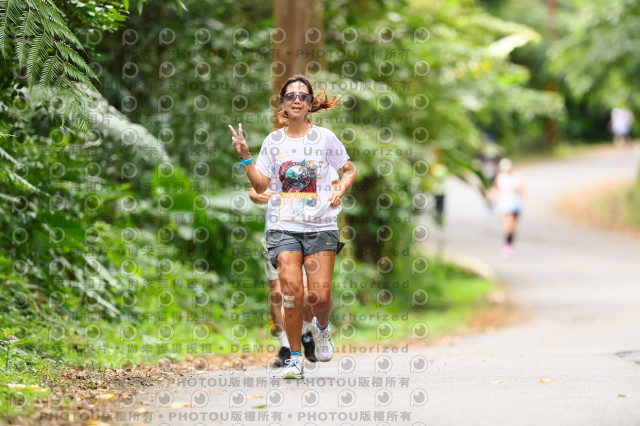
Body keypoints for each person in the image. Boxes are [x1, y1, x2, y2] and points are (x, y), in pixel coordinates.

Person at [229, 74, 357, 379]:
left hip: (321, 224)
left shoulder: (325, 137)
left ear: (310, 103)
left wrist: (340, 189)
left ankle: (322, 327)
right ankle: (295, 357)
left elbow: (349, 170)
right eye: (290, 96)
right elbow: (260, 185)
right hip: (283, 226)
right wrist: (246, 156)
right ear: (283, 104)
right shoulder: (273, 142)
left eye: (303, 96)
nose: (296, 100)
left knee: (319, 297)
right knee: (290, 291)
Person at [492, 158, 524, 259]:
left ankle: (510, 245)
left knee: (513, 228)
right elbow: (495, 190)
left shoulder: (517, 177)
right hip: (505, 205)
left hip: (515, 204)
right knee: (507, 226)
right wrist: (496, 199)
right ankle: (507, 246)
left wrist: (516, 188)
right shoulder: (501, 178)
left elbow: (523, 190)